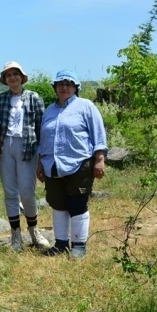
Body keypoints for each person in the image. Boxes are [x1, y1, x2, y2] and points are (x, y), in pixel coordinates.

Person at [37, 69, 107, 259]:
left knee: (77, 203)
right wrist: (40, 163)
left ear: (76, 87)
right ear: (55, 87)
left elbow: (98, 134)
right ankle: (60, 244)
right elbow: (43, 139)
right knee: (58, 204)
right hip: (52, 164)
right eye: (60, 84)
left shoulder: (86, 106)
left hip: (79, 163)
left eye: (69, 84)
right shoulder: (49, 111)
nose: (64, 87)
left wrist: (99, 159)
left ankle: (79, 245)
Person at [0, 62, 51, 251]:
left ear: (22, 77)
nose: (12, 78)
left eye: (15, 74)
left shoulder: (33, 97)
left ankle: (34, 231)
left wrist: (42, 156)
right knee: (10, 193)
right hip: (5, 147)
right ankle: (15, 235)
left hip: (27, 147)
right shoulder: (0, 100)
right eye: (8, 75)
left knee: (27, 192)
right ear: (5, 79)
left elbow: (41, 127)